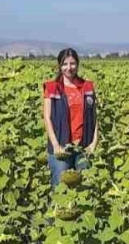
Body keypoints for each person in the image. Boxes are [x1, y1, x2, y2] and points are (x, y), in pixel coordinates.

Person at [42, 48, 99, 187]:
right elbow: (47, 117)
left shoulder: (87, 87)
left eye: (72, 63)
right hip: (61, 146)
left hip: (83, 146)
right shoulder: (52, 87)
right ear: (60, 66)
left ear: (77, 64)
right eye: (65, 64)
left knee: (85, 186)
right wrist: (55, 145)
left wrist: (94, 143)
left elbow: (94, 117)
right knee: (60, 188)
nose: (69, 68)